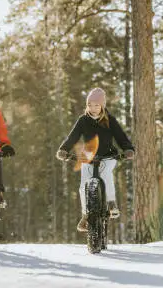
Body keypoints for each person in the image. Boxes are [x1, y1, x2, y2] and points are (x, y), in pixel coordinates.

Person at [56, 88, 134, 232]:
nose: (93, 108)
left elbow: (121, 137)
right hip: (88, 157)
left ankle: (111, 203)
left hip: (108, 156)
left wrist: (128, 149)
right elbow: (73, 137)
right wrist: (64, 149)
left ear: (102, 105)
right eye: (90, 105)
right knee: (83, 185)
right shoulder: (83, 120)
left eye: (96, 105)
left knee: (105, 175)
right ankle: (86, 215)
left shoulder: (110, 120)